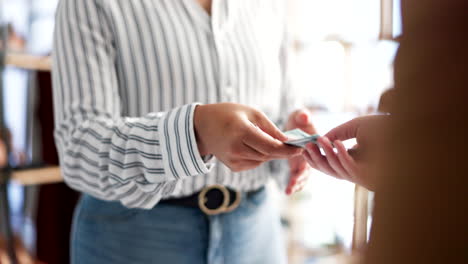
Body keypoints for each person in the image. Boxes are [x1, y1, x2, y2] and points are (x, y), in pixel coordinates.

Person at [52, 0, 315, 263]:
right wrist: (193, 134)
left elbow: (283, 110)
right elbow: (78, 148)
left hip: (256, 236)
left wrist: (290, 147)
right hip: (133, 239)